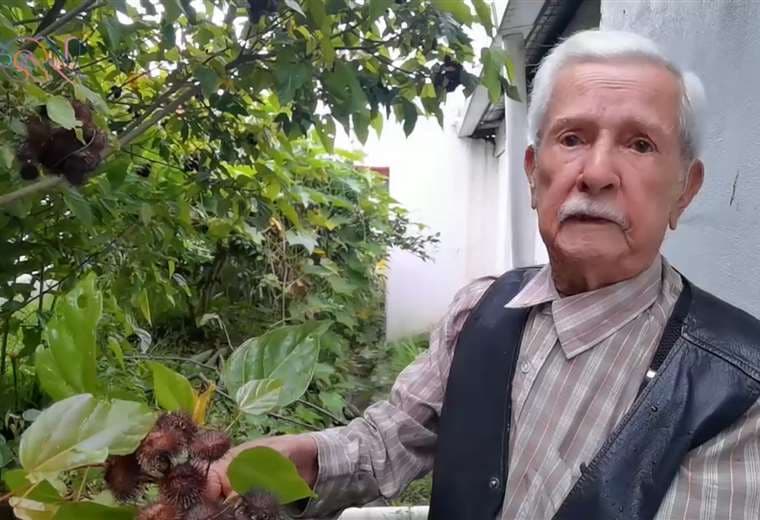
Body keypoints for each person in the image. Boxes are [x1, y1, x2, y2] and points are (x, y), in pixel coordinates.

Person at [206, 30, 760, 519]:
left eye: (640, 144)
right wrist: (302, 460)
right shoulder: (480, 311)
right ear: (533, 174)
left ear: (684, 190)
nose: (596, 173)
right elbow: (390, 440)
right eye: (572, 138)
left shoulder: (738, 392)